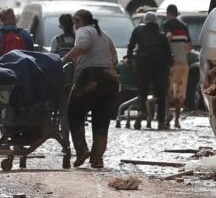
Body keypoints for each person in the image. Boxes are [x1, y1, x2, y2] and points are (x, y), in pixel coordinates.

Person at [62, 9, 119, 169]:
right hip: (110, 79)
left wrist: (64, 59)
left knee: (74, 113)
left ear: (80, 21)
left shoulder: (83, 31)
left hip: (90, 77)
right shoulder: (104, 36)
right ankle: (97, 158)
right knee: (102, 119)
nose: (74, 26)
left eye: (75, 22)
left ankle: (82, 150)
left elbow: (83, 45)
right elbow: (114, 60)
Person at [126, 11, 172, 130]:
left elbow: (131, 45)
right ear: (156, 23)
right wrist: (169, 64)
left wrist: (129, 58)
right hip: (159, 65)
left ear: (144, 21)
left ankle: (142, 110)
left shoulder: (138, 31)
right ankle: (161, 121)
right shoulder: (161, 36)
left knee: (142, 91)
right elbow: (168, 54)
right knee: (160, 94)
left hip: (143, 63)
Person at [51, 13, 76, 167]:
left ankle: (65, 141)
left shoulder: (56, 41)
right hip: (77, 82)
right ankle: (78, 144)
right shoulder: (78, 40)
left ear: (60, 25)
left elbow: (52, 60)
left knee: (63, 113)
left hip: (61, 82)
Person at [162, 4, 192, 128]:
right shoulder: (184, 27)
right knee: (179, 93)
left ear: (168, 13)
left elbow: (168, 37)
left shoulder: (167, 24)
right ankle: (177, 121)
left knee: (167, 91)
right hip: (184, 64)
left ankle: (167, 116)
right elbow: (189, 47)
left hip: (171, 63)